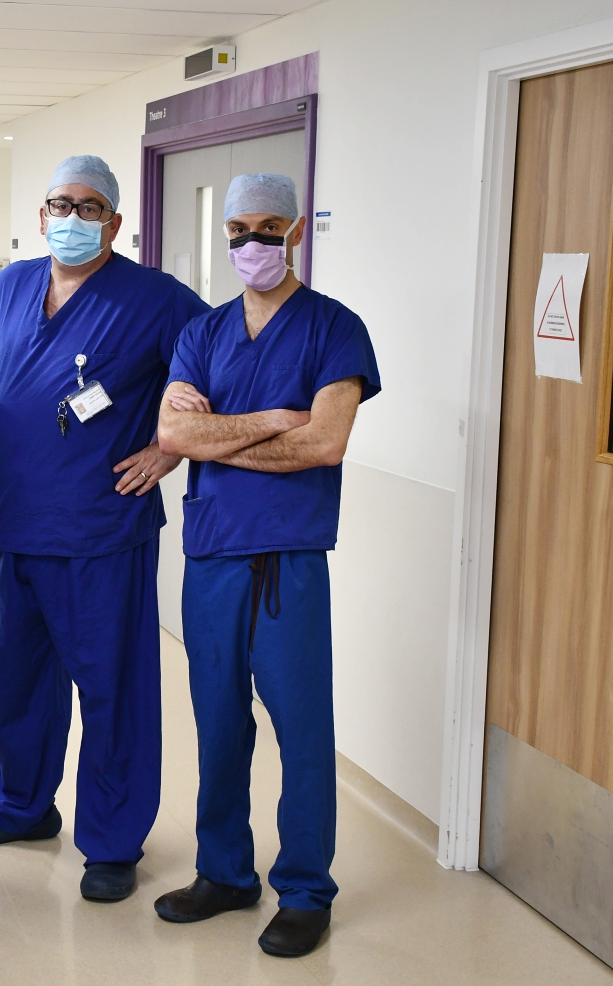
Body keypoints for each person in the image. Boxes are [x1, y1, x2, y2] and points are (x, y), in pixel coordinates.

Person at [0, 155, 210, 902]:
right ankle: (21, 807)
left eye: (90, 206)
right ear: (40, 217)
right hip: (17, 521)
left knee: (112, 688)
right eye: (59, 204)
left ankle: (112, 839)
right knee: (18, 678)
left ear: (116, 223)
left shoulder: (157, 299)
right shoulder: (6, 287)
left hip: (103, 526)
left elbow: (212, 372)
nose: (72, 217)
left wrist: (170, 447)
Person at [153, 174, 380, 958]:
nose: (253, 244)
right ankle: (224, 873)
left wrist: (226, 432)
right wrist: (273, 422)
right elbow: (175, 438)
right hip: (212, 553)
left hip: (288, 561)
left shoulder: (334, 329)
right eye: (239, 229)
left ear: (297, 233)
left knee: (301, 731)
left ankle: (306, 890)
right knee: (218, 726)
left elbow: (326, 442)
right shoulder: (203, 334)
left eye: (269, 228)